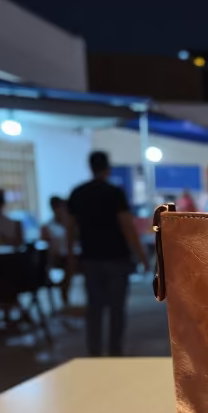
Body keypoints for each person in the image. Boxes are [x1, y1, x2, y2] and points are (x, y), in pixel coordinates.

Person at [67, 150, 147, 357]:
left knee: (94, 308)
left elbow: (70, 228)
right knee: (116, 308)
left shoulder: (78, 193)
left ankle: (94, 352)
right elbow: (127, 226)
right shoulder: (114, 193)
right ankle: (115, 352)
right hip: (116, 257)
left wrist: (70, 257)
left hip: (90, 257)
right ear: (107, 168)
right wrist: (141, 256)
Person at [41, 196, 72, 306]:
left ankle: (64, 289)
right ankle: (62, 288)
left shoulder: (70, 225)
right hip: (55, 257)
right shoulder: (47, 226)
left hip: (69, 256)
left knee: (71, 263)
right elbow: (44, 243)